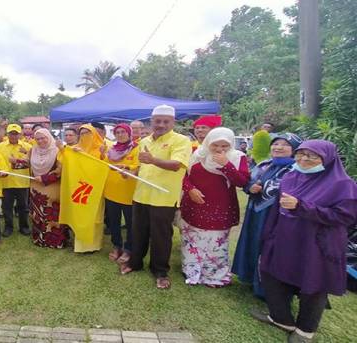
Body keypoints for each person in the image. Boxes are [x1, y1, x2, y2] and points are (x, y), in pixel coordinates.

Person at [251, 140, 357, 342]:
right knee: (271, 271)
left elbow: (345, 217)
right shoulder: (291, 177)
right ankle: (281, 318)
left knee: (314, 283)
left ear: (327, 159)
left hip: (317, 243)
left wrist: (302, 207)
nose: (304, 159)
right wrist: (269, 234)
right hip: (285, 237)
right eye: (301, 154)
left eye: (312, 155)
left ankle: (305, 330)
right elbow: (277, 209)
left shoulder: (342, 185)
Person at [120, 105, 192, 290]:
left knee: (161, 236)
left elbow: (177, 165)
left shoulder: (181, 141)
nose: (160, 125)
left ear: (172, 122)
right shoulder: (144, 141)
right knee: (137, 232)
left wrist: (153, 160)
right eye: (157, 121)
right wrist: (130, 171)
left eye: (165, 121)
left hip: (164, 197)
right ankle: (135, 263)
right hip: (141, 195)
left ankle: (160, 271)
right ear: (151, 122)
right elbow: (141, 166)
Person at [232, 133, 302, 297]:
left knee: (271, 248)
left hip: (278, 216)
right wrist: (250, 187)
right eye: (275, 144)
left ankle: (266, 288)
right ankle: (249, 277)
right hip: (256, 213)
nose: (278, 147)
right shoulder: (264, 165)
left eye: (285, 145)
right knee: (253, 241)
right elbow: (247, 182)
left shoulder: (297, 170)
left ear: (294, 149)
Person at [178, 127, 250, 287]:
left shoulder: (238, 157)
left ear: (230, 144)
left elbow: (242, 182)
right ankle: (191, 271)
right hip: (194, 205)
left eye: (224, 146)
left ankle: (215, 276)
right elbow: (185, 177)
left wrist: (226, 165)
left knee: (215, 242)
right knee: (192, 240)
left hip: (220, 208)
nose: (219, 149)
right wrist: (190, 190)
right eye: (215, 145)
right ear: (209, 142)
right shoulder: (198, 154)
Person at [104, 123, 139, 264]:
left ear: (129, 133)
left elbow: (138, 166)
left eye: (123, 132)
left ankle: (129, 249)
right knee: (114, 222)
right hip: (111, 192)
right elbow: (104, 165)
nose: (120, 134)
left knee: (131, 224)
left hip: (129, 193)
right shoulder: (110, 149)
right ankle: (117, 246)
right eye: (117, 132)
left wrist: (127, 167)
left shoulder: (136, 148)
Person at [29, 128, 69, 248]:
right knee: (38, 215)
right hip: (36, 188)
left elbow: (60, 170)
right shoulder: (33, 150)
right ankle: (39, 239)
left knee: (52, 215)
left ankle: (55, 242)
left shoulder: (57, 151)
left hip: (52, 188)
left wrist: (45, 178)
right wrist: (15, 162)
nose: (40, 141)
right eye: (38, 139)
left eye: (43, 138)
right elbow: (27, 162)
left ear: (49, 137)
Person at [72, 124, 107, 253]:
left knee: (95, 216)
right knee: (81, 215)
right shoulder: (76, 148)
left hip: (95, 188)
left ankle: (94, 244)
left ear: (94, 134)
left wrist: (102, 155)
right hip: (80, 186)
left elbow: (104, 166)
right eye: (82, 133)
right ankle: (81, 244)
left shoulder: (101, 148)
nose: (84, 136)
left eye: (88, 133)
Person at [0, 124, 32, 237]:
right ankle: (8, 227)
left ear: (20, 134)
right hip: (6, 182)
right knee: (7, 207)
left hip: (23, 181)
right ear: (7, 134)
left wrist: (25, 155)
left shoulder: (28, 147)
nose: (14, 136)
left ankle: (24, 227)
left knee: (23, 207)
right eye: (11, 133)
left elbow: (33, 162)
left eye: (16, 133)